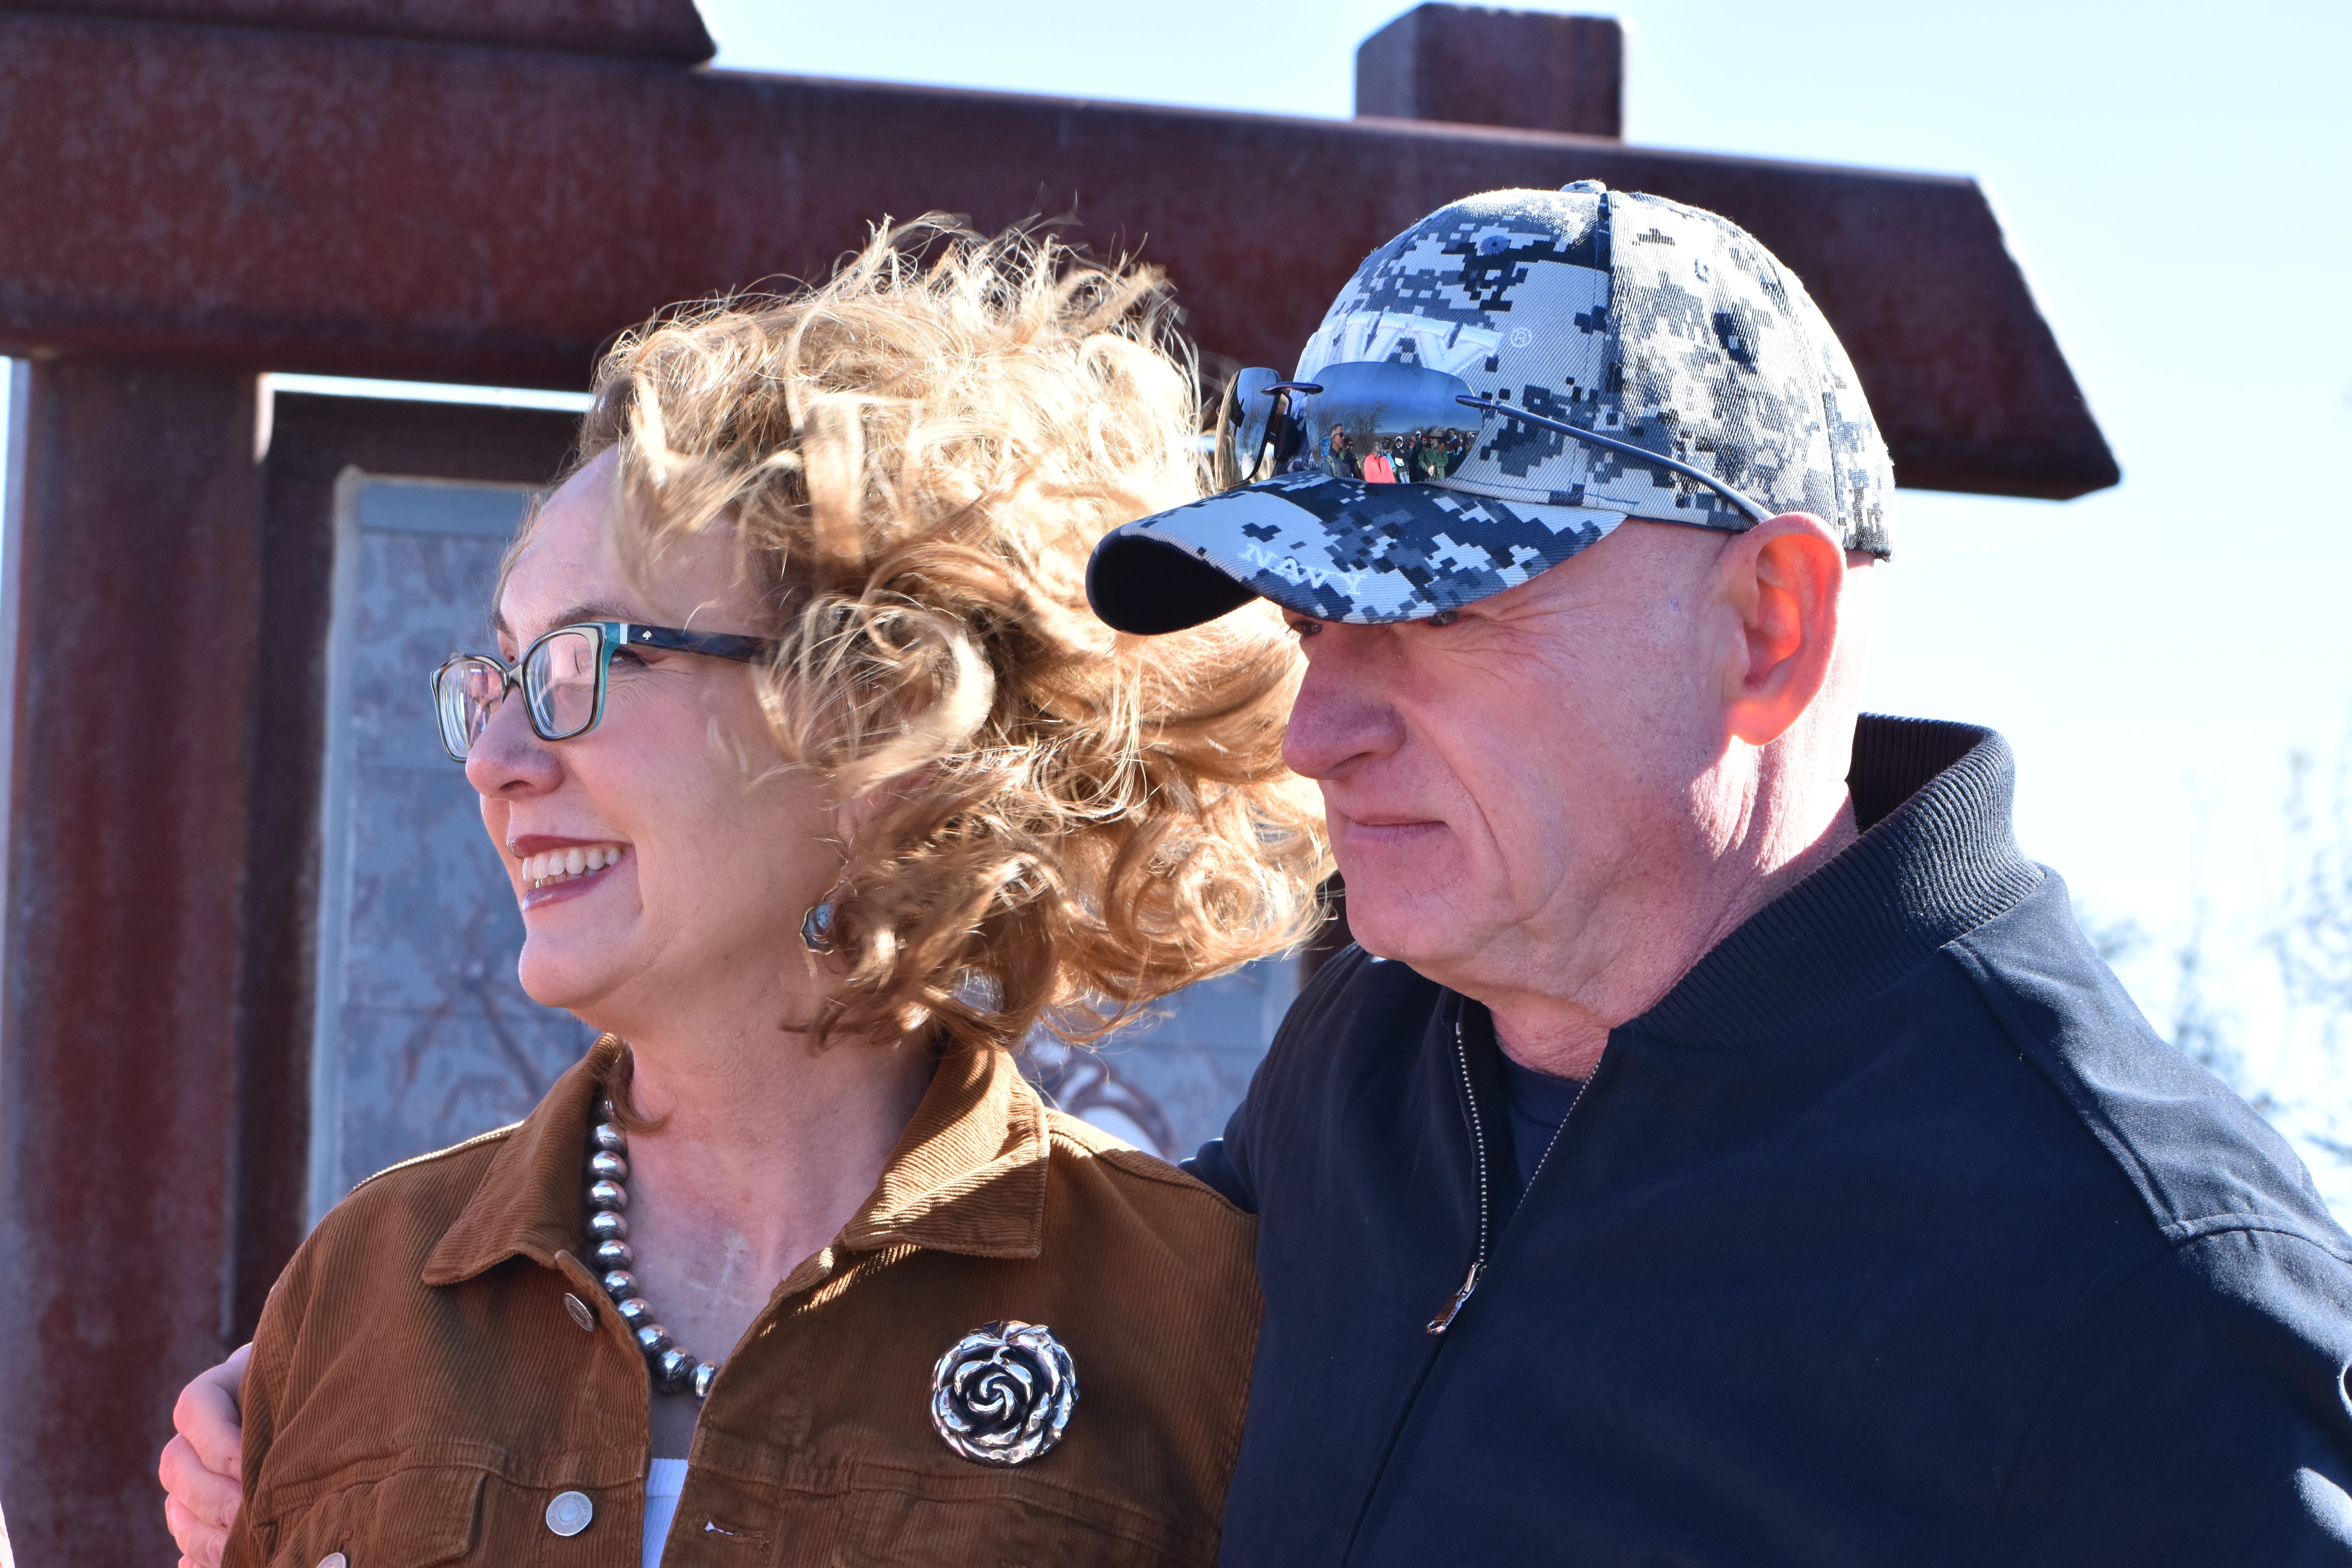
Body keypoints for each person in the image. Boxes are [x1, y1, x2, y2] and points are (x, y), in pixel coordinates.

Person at [1085, 183, 2352, 1563]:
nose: (1312, 733)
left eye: (1440, 612)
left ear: (1771, 628)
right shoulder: (1371, 1051)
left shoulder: (2144, 1285)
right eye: (1310, 622)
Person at [160, 223, 1324, 1568]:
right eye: (497, 677)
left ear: (879, 718)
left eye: (583, 665)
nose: (496, 761)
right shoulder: (366, 1291)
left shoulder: (1195, 1329)